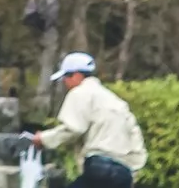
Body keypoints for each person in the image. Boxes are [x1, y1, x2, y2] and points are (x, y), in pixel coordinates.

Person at [30, 52, 148, 187]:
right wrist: (133, 172)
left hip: (100, 165)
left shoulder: (80, 92)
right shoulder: (115, 100)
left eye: (66, 77)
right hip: (124, 172)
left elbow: (74, 129)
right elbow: (136, 138)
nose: (65, 82)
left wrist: (43, 139)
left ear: (77, 75)